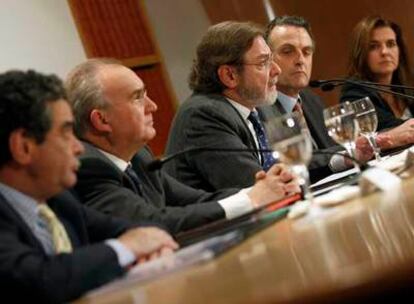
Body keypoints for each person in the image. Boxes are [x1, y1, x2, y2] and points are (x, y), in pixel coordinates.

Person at [0, 70, 178, 303]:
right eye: (66, 133)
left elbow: (136, 228)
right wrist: (125, 249)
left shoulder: (59, 201)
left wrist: (151, 242)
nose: (79, 148)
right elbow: (40, 280)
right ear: (23, 147)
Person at [65, 58, 299, 235]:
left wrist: (266, 188)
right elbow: (155, 221)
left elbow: (196, 201)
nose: (153, 106)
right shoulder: (86, 167)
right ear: (101, 120)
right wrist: (252, 200)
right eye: (137, 97)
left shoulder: (139, 157)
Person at [164, 21, 282, 191]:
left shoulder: (250, 108)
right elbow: (257, 186)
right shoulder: (203, 116)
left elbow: (286, 164)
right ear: (229, 75)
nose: (276, 70)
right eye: (263, 63)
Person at [262, 15, 379, 182]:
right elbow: (289, 166)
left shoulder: (310, 100)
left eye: (306, 51)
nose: (300, 60)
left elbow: (332, 151)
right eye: (288, 51)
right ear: (268, 59)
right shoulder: (261, 109)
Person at [340, 15, 414, 147]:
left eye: (391, 44)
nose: (384, 52)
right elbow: (390, 129)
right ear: (361, 53)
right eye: (374, 46)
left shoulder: (408, 83)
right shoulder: (353, 93)